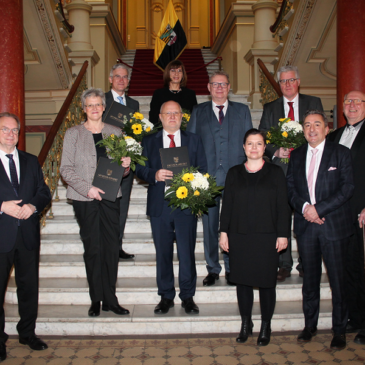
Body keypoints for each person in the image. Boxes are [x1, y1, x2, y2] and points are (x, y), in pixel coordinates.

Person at [60, 88, 131, 318]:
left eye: (98, 104)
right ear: (83, 108)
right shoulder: (73, 134)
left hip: (111, 197)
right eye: (89, 105)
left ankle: (111, 299)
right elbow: (66, 170)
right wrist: (87, 188)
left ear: (104, 107)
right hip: (84, 198)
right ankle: (96, 299)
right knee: (93, 249)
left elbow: (122, 171)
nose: (94, 108)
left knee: (111, 248)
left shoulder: (116, 132)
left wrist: (127, 165)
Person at [287, 110, 354, 350]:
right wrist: (306, 208)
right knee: (310, 281)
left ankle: (339, 330)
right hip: (306, 227)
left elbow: (347, 189)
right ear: (303, 131)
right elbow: (291, 189)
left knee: (338, 282)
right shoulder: (295, 156)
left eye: (317, 124)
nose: (312, 129)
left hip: (333, 227)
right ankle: (310, 325)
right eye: (307, 125)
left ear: (327, 128)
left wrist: (319, 209)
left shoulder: (341, 153)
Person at [135, 101, 207, 314]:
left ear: (182, 117)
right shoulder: (149, 141)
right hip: (160, 205)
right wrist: (153, 175)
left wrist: (192, 180)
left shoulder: (193, 140)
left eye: (177, 112)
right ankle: (166, 296)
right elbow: (139, 168)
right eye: (168, 113)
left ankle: (187, 296)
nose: (173, 116)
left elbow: (203, 168)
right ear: (160, 116)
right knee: (163, 253)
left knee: (187, 253)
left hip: (186, 206)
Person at [220, 129, 290, 346]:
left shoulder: (276, 172)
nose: (254, 148)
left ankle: (266, 326)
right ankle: (245, 323)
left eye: (258, 144)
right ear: (243, 147)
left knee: (267, 284)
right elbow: (227, 205)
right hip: (239, 236)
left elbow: (283, 206)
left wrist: (283, 234)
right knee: (242, 282)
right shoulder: (233, 173)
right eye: (250, 144)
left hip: (267, 237)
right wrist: (223, 233)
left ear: (264, 146)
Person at [187, 70, 252, 286]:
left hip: (236, 177)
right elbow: (191, 144)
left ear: (229, 86)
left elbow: (250, 143)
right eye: (215, 84)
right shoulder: (198, 111)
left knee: (233, 224)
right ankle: (213, 268)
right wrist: (194, 175)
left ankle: (233, 267)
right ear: (208, 87)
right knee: (210, 225)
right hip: (207, 179)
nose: (219, 88)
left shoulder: (242, 111)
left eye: (223, 84)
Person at [259, 65, 324, 282]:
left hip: (308, 169)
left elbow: (321, 130)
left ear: (298, 82)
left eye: (291, 80)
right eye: (283, 81)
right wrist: (275, 150)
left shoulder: (313, 103)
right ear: (279, 84)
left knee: (305, 217)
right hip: (281, 171)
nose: (287, 84)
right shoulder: (270, 108)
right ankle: (284, 264)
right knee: (282, 217)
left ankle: (306, 262)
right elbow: (262, 135)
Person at [0, 112, 51, 361]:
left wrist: (32, 207)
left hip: (28, 235)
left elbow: (44, 191)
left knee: (29, 287)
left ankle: (27, 333)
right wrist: (1, 205)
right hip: (2, 236)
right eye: (5, 129)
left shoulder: (31, 161)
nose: (10, 134)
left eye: (14, 130)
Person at [327, 91, 365, 345]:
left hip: (363, 213)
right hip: (341, 213)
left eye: (357, 101)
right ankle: (356, 317)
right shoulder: (335, 136)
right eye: (347, 101)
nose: (351, 106)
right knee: (348, 268)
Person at [105, 63, 140, 260]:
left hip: (126, 163)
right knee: (107, 206)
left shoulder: (134, 104)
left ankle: (117, 246)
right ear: (110, 79)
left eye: (125, 77)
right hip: (107, 162)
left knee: (123, 206)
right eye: (117, 76)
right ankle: (106, 245)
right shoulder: (101, 100)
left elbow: (136, 130)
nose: (121, 80)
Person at [149, 60, 197, 126]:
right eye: (173, 71)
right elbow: (153, 118)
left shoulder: (190, 94)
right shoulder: (158, 94)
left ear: (183, 74)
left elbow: (194, 118)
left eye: (179, 71)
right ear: (167, 73)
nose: (176, 74)